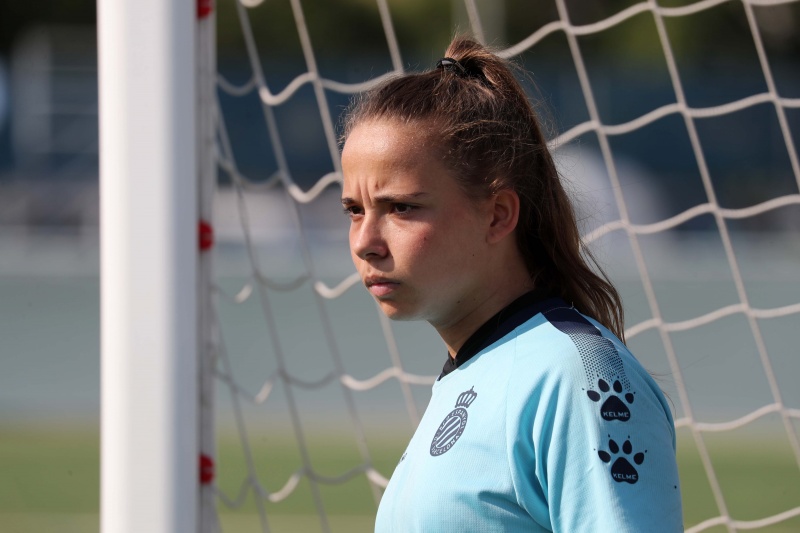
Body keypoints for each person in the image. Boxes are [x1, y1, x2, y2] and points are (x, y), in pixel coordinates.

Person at [340, 36, 683, 532]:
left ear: (498, 215)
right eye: (354, 211)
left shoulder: (573, 375)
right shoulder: (474, 371)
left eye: (402, 207)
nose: (365, 242)